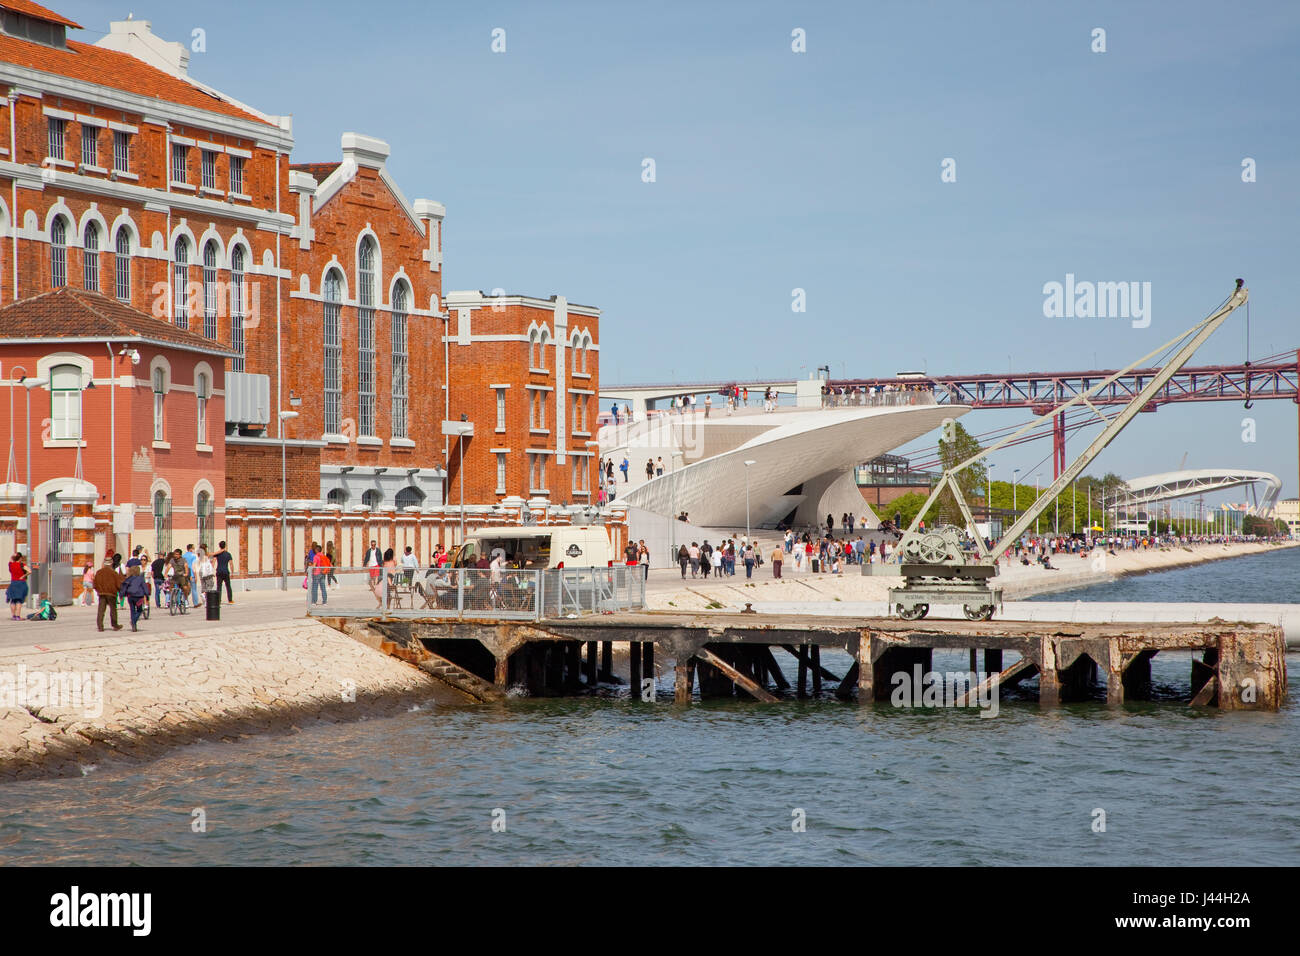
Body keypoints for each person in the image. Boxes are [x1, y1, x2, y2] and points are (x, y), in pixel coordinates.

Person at [93, 556, 124, 631]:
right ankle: (115, 625)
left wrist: (98, 590)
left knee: (101, 610)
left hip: (102, 593)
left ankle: (100, 626)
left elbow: (95, 584)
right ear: (111, 563)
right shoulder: (114, 573)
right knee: (113, 609)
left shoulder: (99, 572)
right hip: (111, 593)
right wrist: (120, 591)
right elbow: (118, 584)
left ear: (104, 563)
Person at [119, 564, 150, 631]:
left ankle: (134, 625)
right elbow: (145, 588)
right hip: (138, 596)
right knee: (139, 610)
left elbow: (124, 587)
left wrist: (121, 595)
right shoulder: (141, 579)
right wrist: (147, 596)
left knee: (132, 610)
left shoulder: (128, 579)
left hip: (130, 596)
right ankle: (134, 621)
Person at [7, 553, 28, 620]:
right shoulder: (22, 565)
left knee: (13, 600)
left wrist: (13, 556)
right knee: (19, 600)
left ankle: (13, 616)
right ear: (20, 558)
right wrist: (23, 576)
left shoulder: (11, 565)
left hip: (13, 583)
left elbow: (10, 559)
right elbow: (29, 571)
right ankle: (18, 616)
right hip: (21, 583)